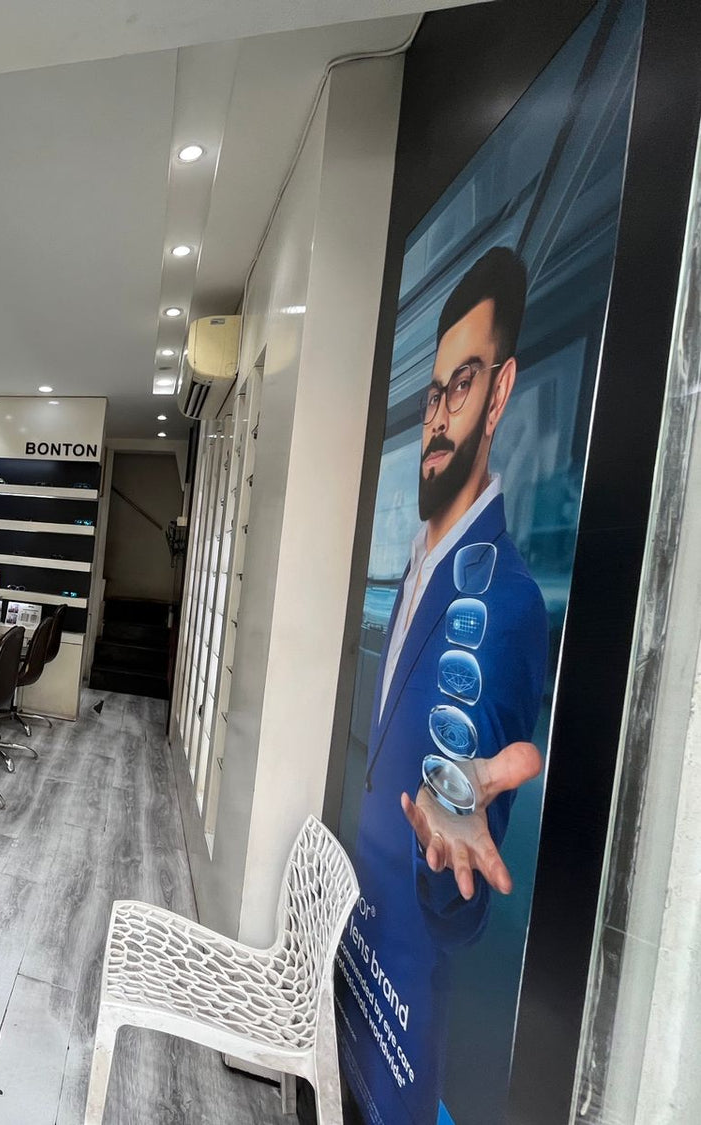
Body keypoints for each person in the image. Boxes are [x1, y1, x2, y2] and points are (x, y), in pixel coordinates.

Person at [339, 246, 548, 1124]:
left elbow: (465, 900)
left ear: (500, 394)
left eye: (461, 386)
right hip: (356, 959)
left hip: (405, 1012)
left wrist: (450, 848)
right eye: (433, 393)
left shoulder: (506, 604)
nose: (437, 416)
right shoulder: (419, 569)